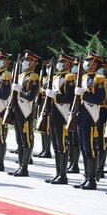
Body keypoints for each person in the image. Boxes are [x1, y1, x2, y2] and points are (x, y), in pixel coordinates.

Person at [73, 51, 105, 190]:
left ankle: (92, 180)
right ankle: (86, 177)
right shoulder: (84, 77)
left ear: (95, 64)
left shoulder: (99, 79)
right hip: (81, 117)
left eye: (90, 61)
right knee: (84, 148)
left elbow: (100, 99)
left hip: (91, 118)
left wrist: (84, 94)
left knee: (90, 148)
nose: (87, 63)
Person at [44, 53, 75, 184]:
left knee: (62, 145)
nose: (60, 64)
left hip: (62, 115)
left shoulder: (70, 78)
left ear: (68, 63)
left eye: (63, 61)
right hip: (54, 114)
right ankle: (58, 173)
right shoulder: (57, 77)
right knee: (56, 146)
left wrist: (54, 96)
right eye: (59, 61)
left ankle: (63, 175)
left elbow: (70, 97)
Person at [8, 50, 40, 177]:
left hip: (26, 113)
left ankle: (24, 167)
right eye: (25, 60)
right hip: (17, 112)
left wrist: (19, 90)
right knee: (19, 139)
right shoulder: (21, 76)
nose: (25, 62)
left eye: (28, 60)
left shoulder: (34, 77)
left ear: (33, 63)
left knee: (26, 139)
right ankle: (20, 165)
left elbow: (31, 96)